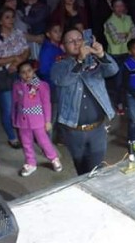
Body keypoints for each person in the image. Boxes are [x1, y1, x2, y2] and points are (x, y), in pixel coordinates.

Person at [50, 29, 118, 175]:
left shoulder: (95, 60)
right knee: (82, 171)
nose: (76, 43)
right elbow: (62, 80)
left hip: (98, 129)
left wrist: (101, 54)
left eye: (79, 39)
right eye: (71, 41)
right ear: (63, 47)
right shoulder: (59, 65)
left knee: (97, 171)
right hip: (74, 131)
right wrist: (79, 61)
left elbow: (113, 70)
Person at [0, 6, 30, 149]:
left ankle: (25, 133)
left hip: (21, 74)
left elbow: (26, 50)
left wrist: (18, 62)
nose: (11, 20)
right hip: (4, 76)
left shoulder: (18, 33)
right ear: (0, 21)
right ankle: (12, 137)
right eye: (7, 17)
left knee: (24, 105)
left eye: (12, 17)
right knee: (8, 109)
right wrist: (14, 58)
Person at [11, 60, 62, 176]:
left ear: (33, 71)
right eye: (23, 72)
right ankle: (31, 163)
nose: (27, 74)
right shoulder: (17, 85)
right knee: (26, 143)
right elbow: (14, 103)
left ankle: (54, 158)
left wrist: (48, 120)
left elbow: (46, 103)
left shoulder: (41, 85)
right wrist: (14, 119)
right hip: (22, 120)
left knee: (43, 141)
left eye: (29, 71)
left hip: (38, 120)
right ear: (19, 74)